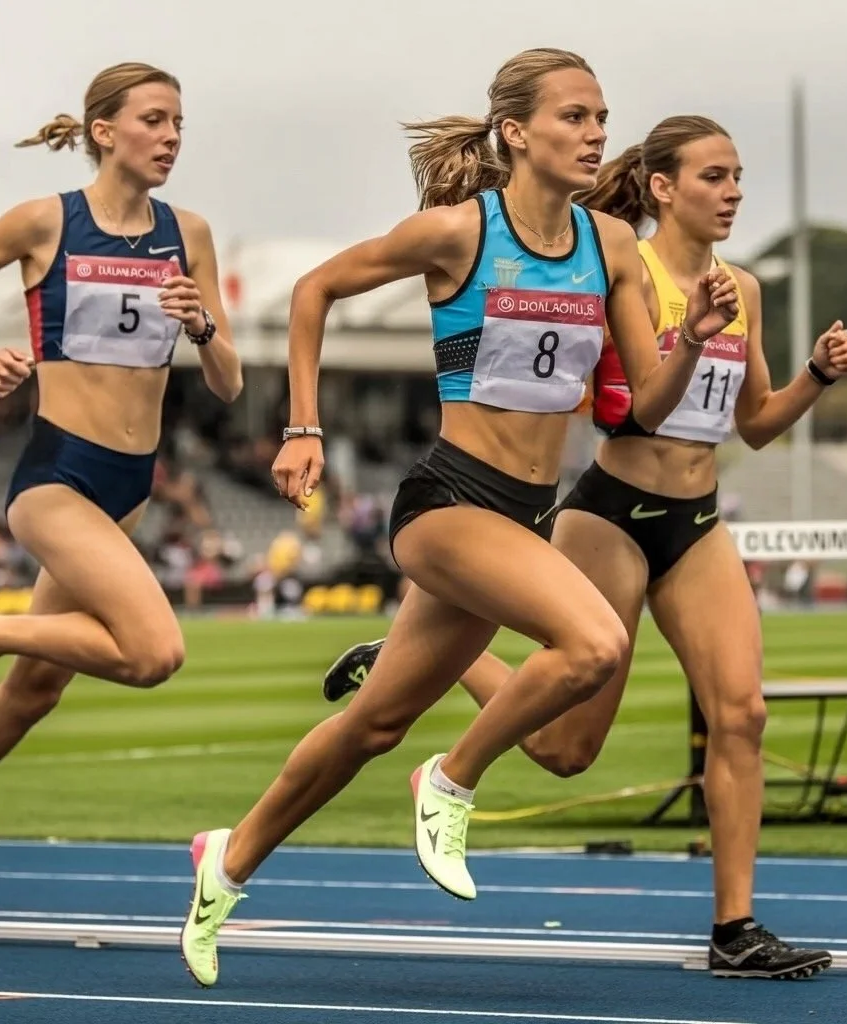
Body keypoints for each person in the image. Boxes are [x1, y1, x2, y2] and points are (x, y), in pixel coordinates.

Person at [180, 49, 739, 988]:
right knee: (594, 645)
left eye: (601, 116)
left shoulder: (608, 246)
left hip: (525, 513)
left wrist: (697, 342)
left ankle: (225, 862)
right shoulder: (455, 234)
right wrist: (304, 427)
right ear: (517, 132)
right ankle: (451, 782)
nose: (595, 132)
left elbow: (644, 402)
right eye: (574, 116)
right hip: (446, 501)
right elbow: (314, 289)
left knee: (372, 724)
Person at [321, 115, 847, 981]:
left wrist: (817, 378)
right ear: (662, 188)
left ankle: (735, 929)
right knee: (566, 750)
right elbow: (618, 409)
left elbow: (754, 426)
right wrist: (678, 339)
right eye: (715, 177)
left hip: (697, 519)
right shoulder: (616, 266)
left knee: (743, 714)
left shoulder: (744, 289)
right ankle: (425, 659)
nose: (734, 193)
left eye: (738, 177)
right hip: (611, 513)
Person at [0, 62, 242, 762]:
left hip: (130, 486)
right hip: (58, 477)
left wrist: (200, 327)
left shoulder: (186, 233)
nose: (171, 139)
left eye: (178, 125)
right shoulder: (47, 221)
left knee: (34, 692)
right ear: (104, 132)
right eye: (154, 121)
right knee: (151, 652)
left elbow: (229, 383)